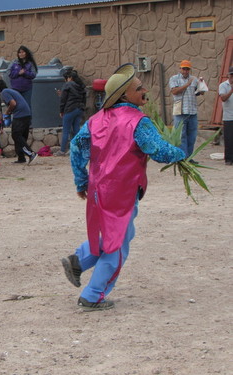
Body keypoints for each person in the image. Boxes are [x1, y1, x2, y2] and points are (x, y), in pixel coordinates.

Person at [61, 63, 185, 311]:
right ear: (124, 95)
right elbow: (159, 151)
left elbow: (76, 147)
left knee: (113, 235)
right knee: (118, 242)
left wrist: (81, 180)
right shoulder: (139, 121)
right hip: (122, 191)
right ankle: (93, 295)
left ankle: (79, 260)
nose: (144, 90)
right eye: (139, 88)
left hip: (98, 189)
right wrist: (181, 154)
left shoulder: (96, 120)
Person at [0, 79, 37, 165]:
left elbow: (13, 103)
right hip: (26, 114)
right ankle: (21, 157)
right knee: (21, 136)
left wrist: (7, 112)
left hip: (20, 115)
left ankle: (31, 153)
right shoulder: (10, 90)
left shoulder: (4, 92)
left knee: (16, 135)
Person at [169, 60, 205, 161]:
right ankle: (182, 157)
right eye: (184, 69)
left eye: (187, 69)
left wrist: (201, 86)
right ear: (180, 69)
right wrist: (187, 84)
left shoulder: (194, 79)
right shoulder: (174, 78)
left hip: (192, 111)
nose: (185, 71)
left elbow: (198, 93)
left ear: (190, 70)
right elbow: (174, 91)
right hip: (180, 111)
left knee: (192, 136)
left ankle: (189, 157)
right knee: (181, 136)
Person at [56, 70, 86, 156]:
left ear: (70, 78)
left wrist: (61, 110)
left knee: (66, 130)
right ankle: (77, 149)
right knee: (76, 129)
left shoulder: (68, 84)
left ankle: (62, 150)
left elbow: (63, 99)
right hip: (79, 109)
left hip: (70, 109)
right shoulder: (81, 86)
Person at [7, 45, 38, 110]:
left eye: (23, 52)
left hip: (27, 89)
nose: (21, 54)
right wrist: (18, 73)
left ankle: (28, 119)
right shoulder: (14, 62)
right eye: (19, 52)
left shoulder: (30, 63)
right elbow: (9, 73)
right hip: (15, 88)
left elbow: (33, 74)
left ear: (26, 53)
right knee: (17, 105)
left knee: (27, 105)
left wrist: (25, 73)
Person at [219, 67, 233, 165]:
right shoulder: (223, 85)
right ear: (228, 75)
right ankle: (228, 159)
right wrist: (232, 90)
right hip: (228, 116)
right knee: (229, 138)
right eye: (232, 75)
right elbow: (223, 98)